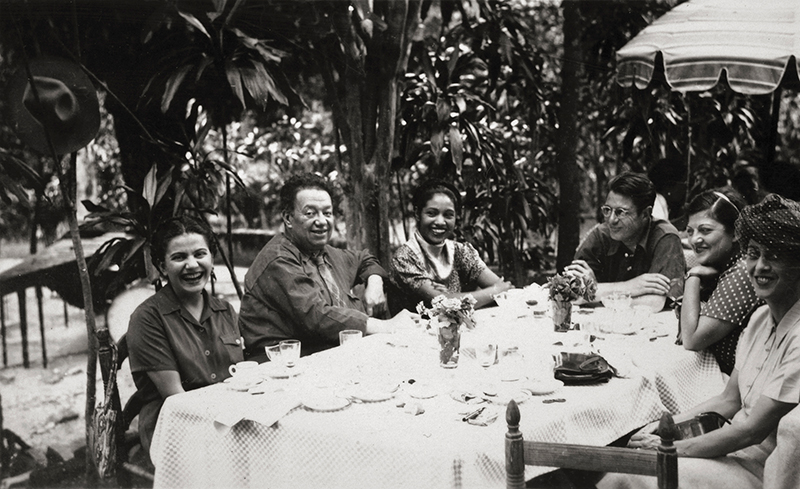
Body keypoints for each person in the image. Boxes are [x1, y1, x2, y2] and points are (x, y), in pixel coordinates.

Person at [598, 193, 800, 489]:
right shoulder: (759, 320)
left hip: (764, 469)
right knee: (621, 466)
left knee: (636, 475)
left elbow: (752, 431)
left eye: (775, 256)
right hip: (731, 448)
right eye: (754, 254)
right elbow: (728, 400)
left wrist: (670, 447)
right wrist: (663, 426)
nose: (760, 267)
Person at [238, 174, 417, 360]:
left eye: (327, 213)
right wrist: (387, 326)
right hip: (283, 367)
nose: (322, 221)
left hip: (331, 357)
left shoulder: (325, 252)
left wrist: (375, 282)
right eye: (310, 213)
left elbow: (364, 258)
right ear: (288, 218)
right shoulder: (278, 259)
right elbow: (316, 316)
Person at [127, 215, 243, 461]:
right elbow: (176, 397)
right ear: (161, 266)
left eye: (200, 254)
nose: (192, 265)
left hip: (226, 416)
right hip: (175, 426)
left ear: (211, 258)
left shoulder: (225, 310)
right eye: (179, 257)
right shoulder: (147, 318)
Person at [565, 171, 685, 311]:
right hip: (602, 322)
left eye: (621, 212)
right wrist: (631, 286)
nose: (611, 220)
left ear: (646, 214)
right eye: (607, 210)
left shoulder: (666, 237)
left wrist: (596, 292)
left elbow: (655, 302)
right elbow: (570, 289)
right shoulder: (601, 234)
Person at [389, 179, 512, 311]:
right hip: (416, 329)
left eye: (448, 215)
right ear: (417, 214)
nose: (440, 222)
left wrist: (498, 289)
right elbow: (443, 303)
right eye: (431, 213)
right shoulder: (405, 258)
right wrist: (494, 291)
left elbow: (506, 291)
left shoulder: (461, 251)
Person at [679, 188, 762, 375]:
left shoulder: (742, 271)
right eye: (690, 231)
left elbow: (691, 340)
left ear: (735, 234)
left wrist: (693, 276)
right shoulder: (728, 264)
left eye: (705, 230)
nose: (694, 240)